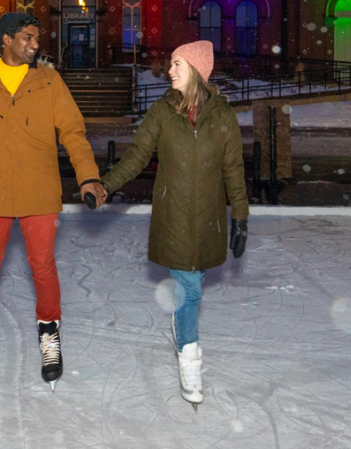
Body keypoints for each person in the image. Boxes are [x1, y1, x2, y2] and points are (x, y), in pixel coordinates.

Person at [0, 12, 108, 395]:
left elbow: (72, 130)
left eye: (37, 37)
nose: (36, 44)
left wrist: (88, 175)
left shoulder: (48, 80)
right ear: (6, 39)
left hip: (40, 192)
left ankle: (49, 336)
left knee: (42, 267)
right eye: (28, 37)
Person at [99, 40, 248, 410]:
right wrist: (105, 185)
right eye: (171, 63)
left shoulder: (223, 116)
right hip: (174, 216)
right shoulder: (162, 112)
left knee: (190, 285)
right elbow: (136, 156)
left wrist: (241, 218)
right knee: (190, 288)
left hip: (208, 217)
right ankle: (190, 358)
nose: (170, 70)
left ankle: (183, 334)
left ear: (196, 69)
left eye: (177, 63)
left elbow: (234, 171)